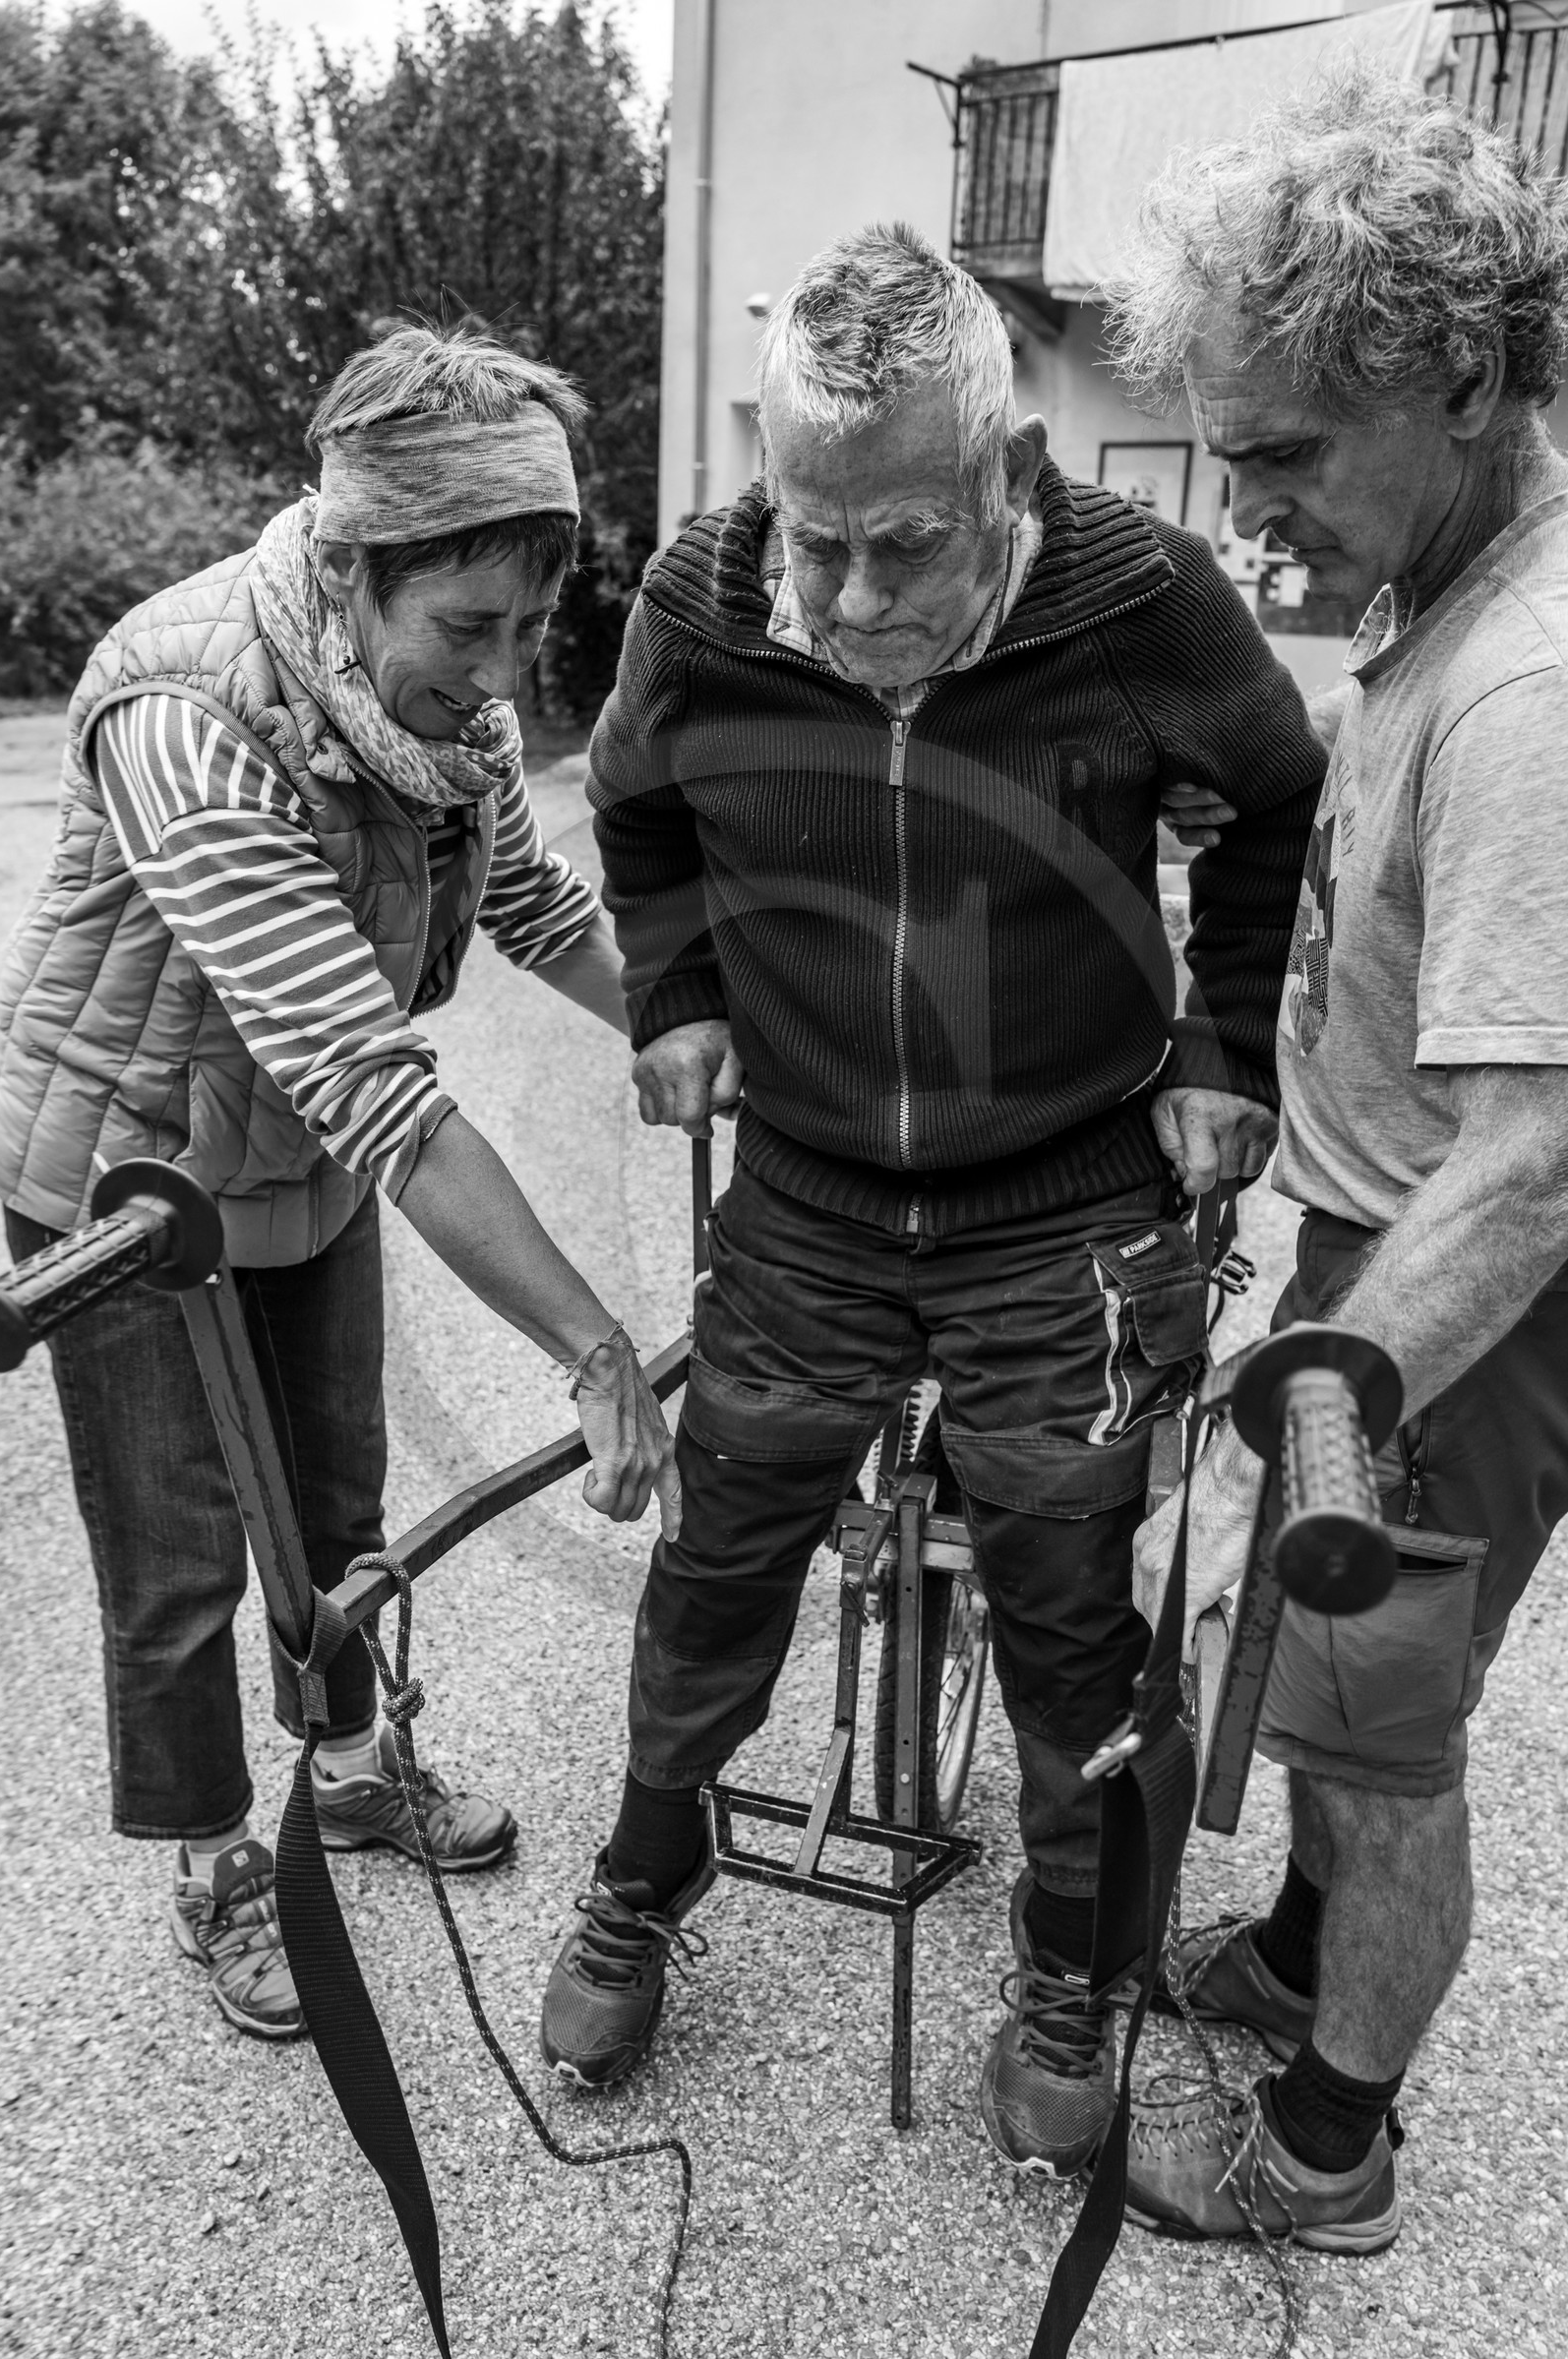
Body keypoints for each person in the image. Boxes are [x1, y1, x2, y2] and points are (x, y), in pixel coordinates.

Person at [535, 222, 1327, 2179]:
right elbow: (629, 805)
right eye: (814, 533)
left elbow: (1274, 793)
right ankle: (644, 1873)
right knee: (721, 1554)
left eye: (900, 541)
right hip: (802, 1188)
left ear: (999, 477)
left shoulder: (1142, 594)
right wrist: (679, 993)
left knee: (1069, 1606)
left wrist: (1225, 1042)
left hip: (1055, 1192)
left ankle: (1067, 1968)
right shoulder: (707, 594)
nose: (847, 588)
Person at [0, 323, 679, 2041]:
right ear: (357, 567)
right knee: (179, 1555)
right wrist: (595, 1346)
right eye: (468, 627)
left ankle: (359, 1768)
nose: (503, 667)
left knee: (340, 1503)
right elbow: (382, 1088)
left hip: (287, 1157)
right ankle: (221, 1865)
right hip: (127, 1194)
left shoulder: (443, 710)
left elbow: (538, 909)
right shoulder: (186, 706)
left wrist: (708, 1030)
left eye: (532, 624)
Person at [1116, 66, 1568, 2248]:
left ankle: (1324, 2141)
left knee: (1378, 1737)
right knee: (1319, 1696)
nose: (1247, 506)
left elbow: (1541, 1153)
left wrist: (1325, 1384)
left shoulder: (1529, 687)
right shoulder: (1450, 590)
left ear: (1455, 372)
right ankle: (1299, 1954)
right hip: (1370, 1240)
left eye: (1282, 452)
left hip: (1446, 1290)